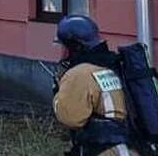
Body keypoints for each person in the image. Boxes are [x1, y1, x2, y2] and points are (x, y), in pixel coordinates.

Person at [53, 14, 133, 156]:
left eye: (63, 46)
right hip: (128, 149)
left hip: (103, 150)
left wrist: (59, 93)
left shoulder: (79, 74)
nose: (61, 52)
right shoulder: (112, 64)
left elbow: (70, 118)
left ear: (74, 47)